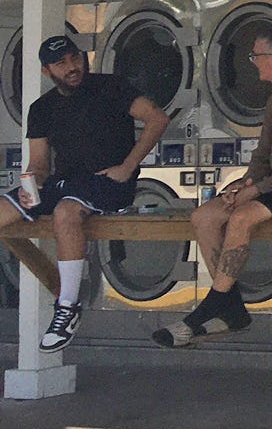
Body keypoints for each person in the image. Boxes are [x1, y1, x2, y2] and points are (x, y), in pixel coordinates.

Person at [156, 25, 272, 347]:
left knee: (243, 216)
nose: (252, 62)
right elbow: (263, 155)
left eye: (255, 55)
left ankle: (213, 304)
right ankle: (230, 304)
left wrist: (255, 192)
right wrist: (244, 184)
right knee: (205, 216)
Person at [6, 33, 171, 350]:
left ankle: (67, 308)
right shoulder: (41, 108)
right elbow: (39, 163)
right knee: (7, 209)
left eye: (74, 58)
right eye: (61, 63)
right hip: (64, 183)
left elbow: (157, 118)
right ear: (46, 71)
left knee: (66, 211)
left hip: (108, 182)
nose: (71, 67)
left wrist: (127, 166)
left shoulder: (111, 86)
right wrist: (31, 184)